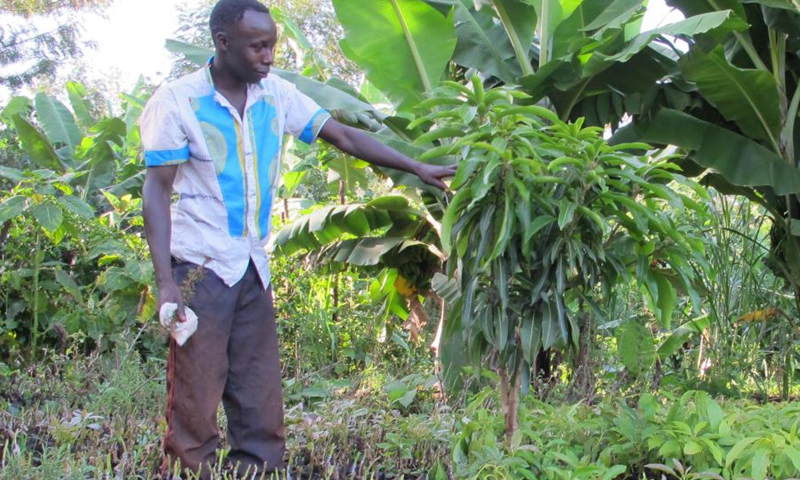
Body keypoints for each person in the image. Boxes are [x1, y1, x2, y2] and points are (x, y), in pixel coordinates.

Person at [140, 0, 456, 477]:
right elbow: (156, 191)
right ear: (223, 44)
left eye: (272, 46)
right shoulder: (178, 101)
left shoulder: (276, 96)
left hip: (251, 269)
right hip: (200, 271)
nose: (268, 57)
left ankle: (258, 471)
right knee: (195, 397)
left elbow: (344, 138)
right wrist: (166, 282)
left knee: (259, 395)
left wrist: (415, 166)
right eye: (258, 47)